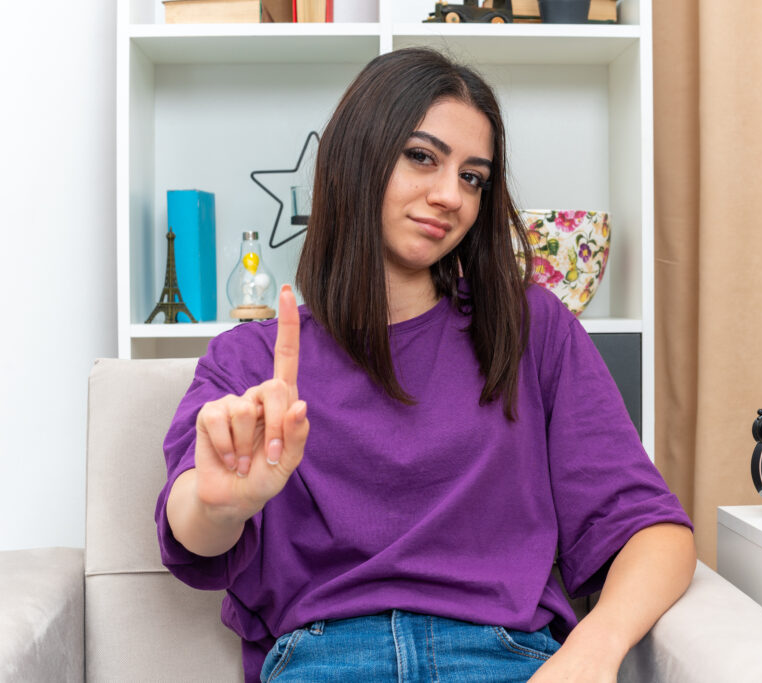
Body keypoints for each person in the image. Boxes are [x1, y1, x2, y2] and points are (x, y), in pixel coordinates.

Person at [156, 47, 695, 683]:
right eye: (422, 157)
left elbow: (655, 533)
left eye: (473, 177)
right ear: (358, 156)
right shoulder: (250, 358)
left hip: (504, 658)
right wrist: (222, 504)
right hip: (325, 660)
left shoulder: (530, 329)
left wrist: (595, 648)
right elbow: (191, 526)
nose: (450, 196)